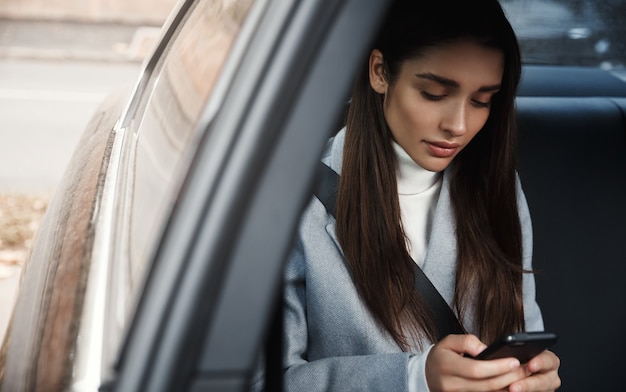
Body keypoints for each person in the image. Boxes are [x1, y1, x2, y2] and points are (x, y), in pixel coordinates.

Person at [254, 0, 561, 390]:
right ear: (380, 72)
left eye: (482, 101)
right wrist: (413, 378)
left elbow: (522, 333)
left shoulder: (497, 190)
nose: (459, 125)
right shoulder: (294, 204)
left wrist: (533, 377)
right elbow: (264, 381)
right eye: (434, 94)